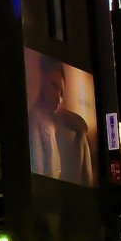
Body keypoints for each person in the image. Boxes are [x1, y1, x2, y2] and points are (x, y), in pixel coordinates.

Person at [27, 55, 94, 186]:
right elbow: (38, 172)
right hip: (48, 191)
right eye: (54, 85)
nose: (58, 98)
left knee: (83, 139)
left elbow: (82, 127)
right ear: (43, 80)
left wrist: (59, 109)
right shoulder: (35, 119)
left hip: (59, 185)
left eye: (62, 93)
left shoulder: (51, 117)